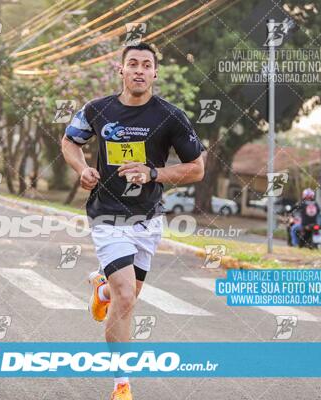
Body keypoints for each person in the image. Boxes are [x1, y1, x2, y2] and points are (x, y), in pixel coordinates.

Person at [61, 42, 205, 400]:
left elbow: (197, 169)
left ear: (155, 73)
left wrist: (153, 172)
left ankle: (102, 288)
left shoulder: (171, 117)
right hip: (107, 214)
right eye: (133, 64)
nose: (139, 70)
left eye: (146, 65)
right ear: (121, 71)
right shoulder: (98, 109)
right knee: (126, 297)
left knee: (125, 295)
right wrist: (83, 168)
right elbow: (69, 141)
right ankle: (121, 383)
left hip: (148, 218)